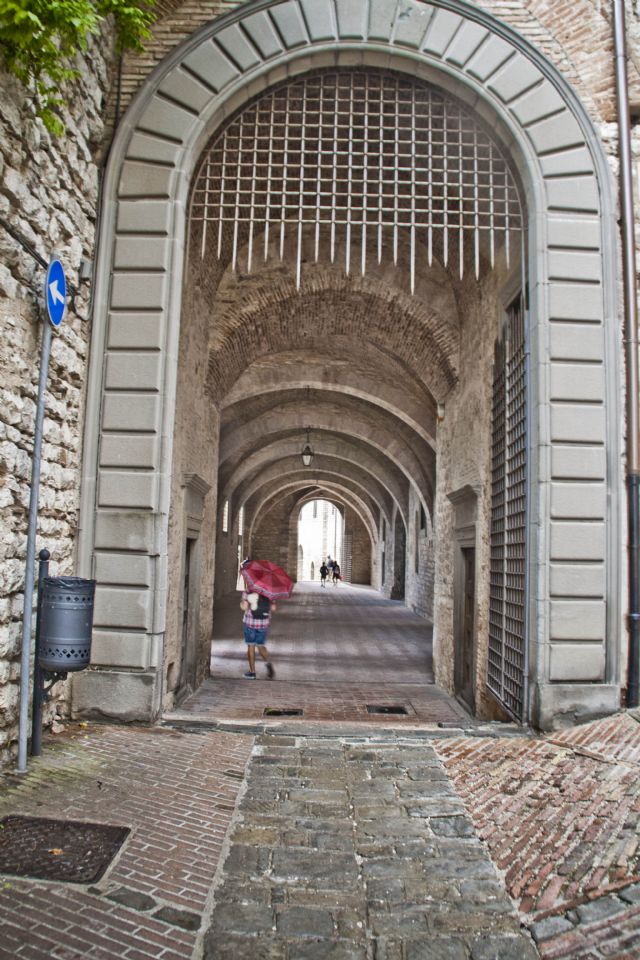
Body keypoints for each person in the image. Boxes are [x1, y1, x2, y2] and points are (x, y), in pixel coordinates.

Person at [240, 590, 276, 679]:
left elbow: (244, 607)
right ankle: (268, 663)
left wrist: (243, 602)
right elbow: (273, 608)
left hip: (250, 623)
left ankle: (252, 673)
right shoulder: (270, 591)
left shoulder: (248, 591)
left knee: (251, 646)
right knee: (260, 646)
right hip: (263, 624)